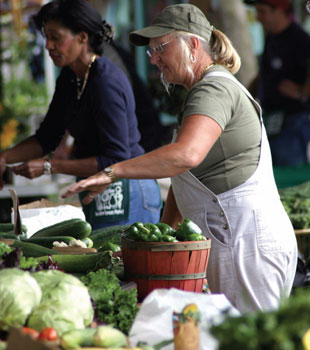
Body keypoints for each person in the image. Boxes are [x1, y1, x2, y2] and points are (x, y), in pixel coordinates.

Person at [61, 3, 298, 313]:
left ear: (193, 45)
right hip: (236, 242)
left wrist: (113, 172)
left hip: (247, 245)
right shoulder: (201, 91)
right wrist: (163, 236)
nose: (154, 59)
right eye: (151, 51)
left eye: (161, 48)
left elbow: (186, 155)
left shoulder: (213, 88)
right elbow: (184, 177)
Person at [0, 0, 162, 229]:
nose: (48, 45)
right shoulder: (69, 77)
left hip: (127, 189)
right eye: (46, 37)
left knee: (119, 264)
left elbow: (115, 159)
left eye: (56, 37)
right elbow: (47, 137)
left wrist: (50, 167)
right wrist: (5, 157)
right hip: (98, 190)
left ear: (82, 37)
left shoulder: (105, 82)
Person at [246, 0, 310, 166]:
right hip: (272, 119)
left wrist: (301, 92)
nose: (258, 17)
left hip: (293, 120)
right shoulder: (271, 37)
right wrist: (245, 94)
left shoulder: (299, 39)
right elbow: (265, 73)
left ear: (279, 11)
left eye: (262, 11)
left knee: (291, 177)